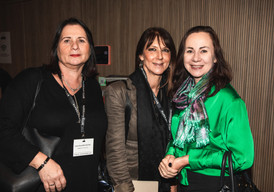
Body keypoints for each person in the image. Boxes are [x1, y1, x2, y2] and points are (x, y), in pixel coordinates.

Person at [0, 17, 107, 192]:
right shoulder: (32, 80)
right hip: (42, 185)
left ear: (90, 49)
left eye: (81, 40)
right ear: (56, 48)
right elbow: (3, 129)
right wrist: (41, 162)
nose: (75, 46)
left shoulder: (93, 87)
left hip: (86, 183)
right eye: (67, 40)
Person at [158, 26, 254, 191]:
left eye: (203, 51)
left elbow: (243, 158)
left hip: (214, 184)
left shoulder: (229, 100)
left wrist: (189, 160)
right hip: (184, 182)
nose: (196, 58)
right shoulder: (182, 94)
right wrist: (170, 156)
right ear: (182, 56)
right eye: (190, 51)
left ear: (215, 57)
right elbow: (177, 140)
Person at [104, 27, 177, 192]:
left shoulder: (173, 95)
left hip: (165, 183)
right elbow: (115, 153)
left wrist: (173, 183)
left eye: (165, 50)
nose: (159, 56)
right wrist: (126, 189)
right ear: (141, 55)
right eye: (152, 49)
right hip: (132, 184)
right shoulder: (119, 92)